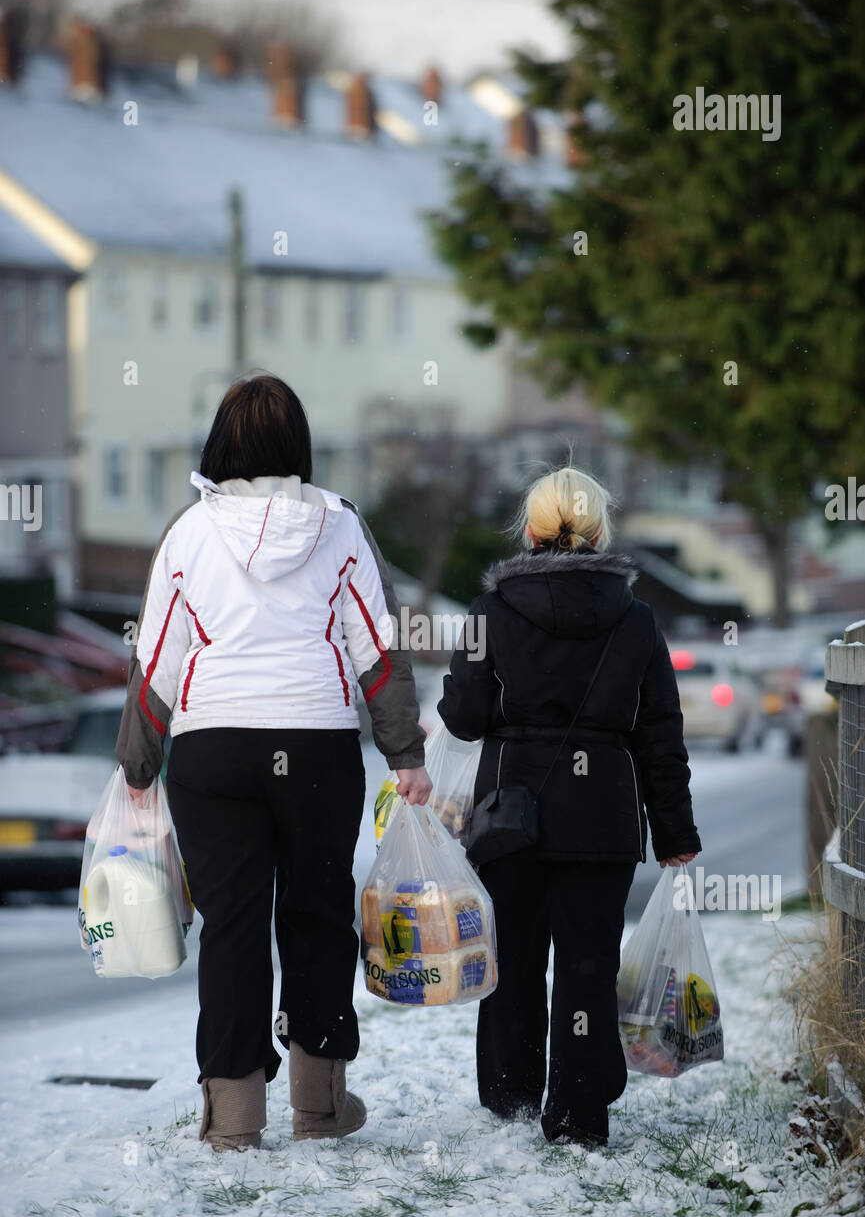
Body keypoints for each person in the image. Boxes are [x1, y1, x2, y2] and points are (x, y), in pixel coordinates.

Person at [115, 373, 431, 1152]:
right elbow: (377, 649)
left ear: (221, 444)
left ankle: (232, 1120)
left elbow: (157, 657)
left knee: (231, 928)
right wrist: (406, 754)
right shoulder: (339, 526)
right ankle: (319, 1110)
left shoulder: (189, 533)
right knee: (318, 916)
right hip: (318, 746)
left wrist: (136, 761)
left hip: (211, 751)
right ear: (298, 445)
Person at [437, 465, 700, 1148]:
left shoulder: (489, 613)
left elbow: (462, 720)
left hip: (509, 816)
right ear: (597, 530)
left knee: (514, 961)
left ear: (529, 528)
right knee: (587, 965)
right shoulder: (635, 619)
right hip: (602, 819)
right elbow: (659, 734)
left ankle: (511, 1094)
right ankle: (579, 1114)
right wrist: (674, 828)